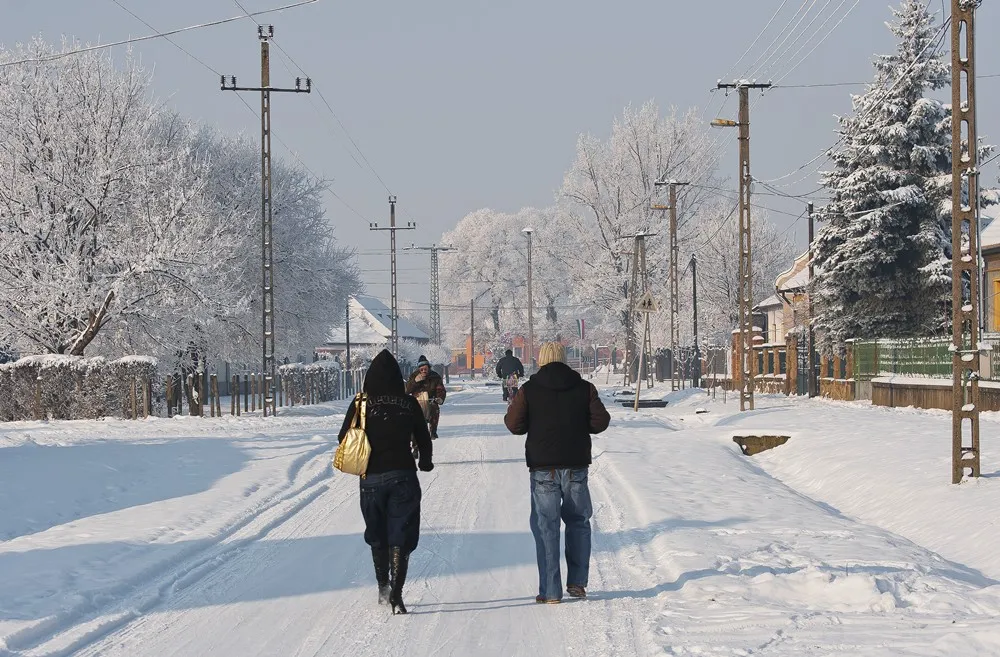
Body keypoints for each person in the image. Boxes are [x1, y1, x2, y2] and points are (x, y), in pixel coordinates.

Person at [503, 341, 610, 604]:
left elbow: (514, 425)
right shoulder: (585, 388)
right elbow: (601, 421)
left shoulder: (529, 390)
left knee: (546, 527)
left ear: (541, 360)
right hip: (575, 466)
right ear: (564, 359)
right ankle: (577, 582)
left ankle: (551, 592)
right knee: (578, 522)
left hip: (543, 468)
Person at [338, 349, 433, 615]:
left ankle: (383, 587)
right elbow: (423, 440)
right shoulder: (409, 403)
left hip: (370, 478)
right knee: (400, 534)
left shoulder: (360, 404)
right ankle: (397, 594)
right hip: (403, 475)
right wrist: (425, 462)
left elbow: (342, 437)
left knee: (377, 533)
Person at [405, 355, 446, 439]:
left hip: (431, 400)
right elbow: (407, 390)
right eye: (421, 369)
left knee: (435, 409)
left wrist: (440, 398)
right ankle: (414, 445)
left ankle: (433, 431)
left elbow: (440, 389)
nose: (424, 371)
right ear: (419, 369)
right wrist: (415, 382)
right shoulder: (413, 376)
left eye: (425, 369)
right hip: (417, 401)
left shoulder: (435, 376)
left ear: (428, 368)